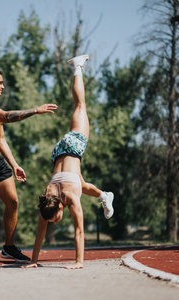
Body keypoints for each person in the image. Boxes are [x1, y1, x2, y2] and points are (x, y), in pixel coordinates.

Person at [23, 54, 114, 270]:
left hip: (73, 146)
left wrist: (79, 262)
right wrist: (33, 262)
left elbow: (79, 230)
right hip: (59, 154)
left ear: (61, 207)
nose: (55, 221)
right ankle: (104, 195)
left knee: (80, 105)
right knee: (83, 184)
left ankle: (78, 66)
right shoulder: (48, 201)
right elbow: (40, 234)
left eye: (56, 219)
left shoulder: (70, 199)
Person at [0, 68, 58, 265]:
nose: (3, 86)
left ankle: (8, 247)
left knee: (13, 202)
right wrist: (35, 110)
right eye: (1, 83)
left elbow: (2, 140)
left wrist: (14, 164)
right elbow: (7, 117)